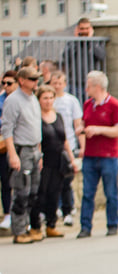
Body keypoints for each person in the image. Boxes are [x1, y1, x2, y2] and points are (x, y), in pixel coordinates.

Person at [78, 70, 118, 239]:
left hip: (108, 155)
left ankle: (112, 224)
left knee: (110, 192)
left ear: (97, 87)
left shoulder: (114, 105)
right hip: (90, 154)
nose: (86, 89)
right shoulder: (87, 105)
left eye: (88, 86)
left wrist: (98, 129)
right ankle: (85, 226)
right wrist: (81, 129)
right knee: (87, 193)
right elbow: (84, 122)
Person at [2, 67, 42, 244]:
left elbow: (36, 127)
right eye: (32, 79)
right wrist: (13, 154)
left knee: (33, 192)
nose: (36, 82)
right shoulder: (13, 101)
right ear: (22, 81)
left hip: (34, 149)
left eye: (37, 78)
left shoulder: (33, 98)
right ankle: (18, 230)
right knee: (21, 191)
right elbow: (7, 129)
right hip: (21, 150)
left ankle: (26, 226)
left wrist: (39, 153)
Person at [32, 85, 76, 239]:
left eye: (51, 98)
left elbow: (65, 140)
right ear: (39, 100)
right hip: (44, 160)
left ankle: (51, 225)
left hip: (58, 160)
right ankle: (36, 226)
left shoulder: (58, 116)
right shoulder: (36, 117)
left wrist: (72, 159)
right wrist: (39, 156)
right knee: (40, 193)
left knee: (54, 192)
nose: (48, 101)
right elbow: (36, 139)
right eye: (45, 98)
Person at [50, 71, 83, 227]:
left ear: (65, 84)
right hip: (52, 146)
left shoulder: (71, 101)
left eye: (60, 83)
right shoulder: (47, 100)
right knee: (52, 181)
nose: (57, 86)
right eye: (54, 83)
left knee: (66, 180)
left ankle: (68, 210)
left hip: (69, 144)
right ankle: (54, 209)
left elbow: (77, 124)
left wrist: (82, 144)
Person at [61, 17, 106, 101]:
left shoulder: (96, 41)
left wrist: (90, 40)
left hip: (92, 83)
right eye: (82, 29)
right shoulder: (72, 42)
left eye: (87, 28)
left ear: (91, 29)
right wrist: (77, 40)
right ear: (77, 29)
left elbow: (101, 56)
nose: (84, 31)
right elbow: (66, 56)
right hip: (75, 83)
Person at [0, 70, 17, 232]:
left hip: (18, 144)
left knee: (20, 183)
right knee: (5, 181)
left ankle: (20, 216)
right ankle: (7, 214)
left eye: (9, 83)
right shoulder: (0, 100)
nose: (6, 86)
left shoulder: (21, 100)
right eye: (3, 83)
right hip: (2, 146)